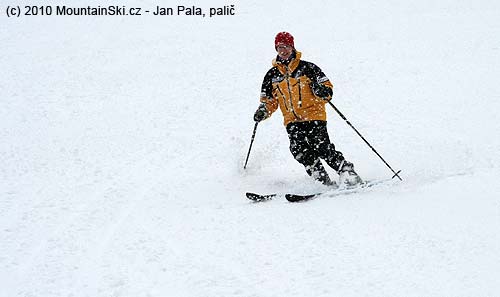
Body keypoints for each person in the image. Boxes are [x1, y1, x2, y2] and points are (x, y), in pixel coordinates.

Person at [253, 31, 362, 187]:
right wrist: (263, 111)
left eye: (286, 47)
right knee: (299, 150)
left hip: (313, 115)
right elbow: (269, 101)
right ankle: (320, 178)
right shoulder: (271, 75)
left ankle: (347, 172)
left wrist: (321, 91)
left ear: (292, 47)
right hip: (291, 120)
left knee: (322, 147)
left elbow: (327, 89)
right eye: (279, 48)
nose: (283, 51)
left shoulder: (308, 68)